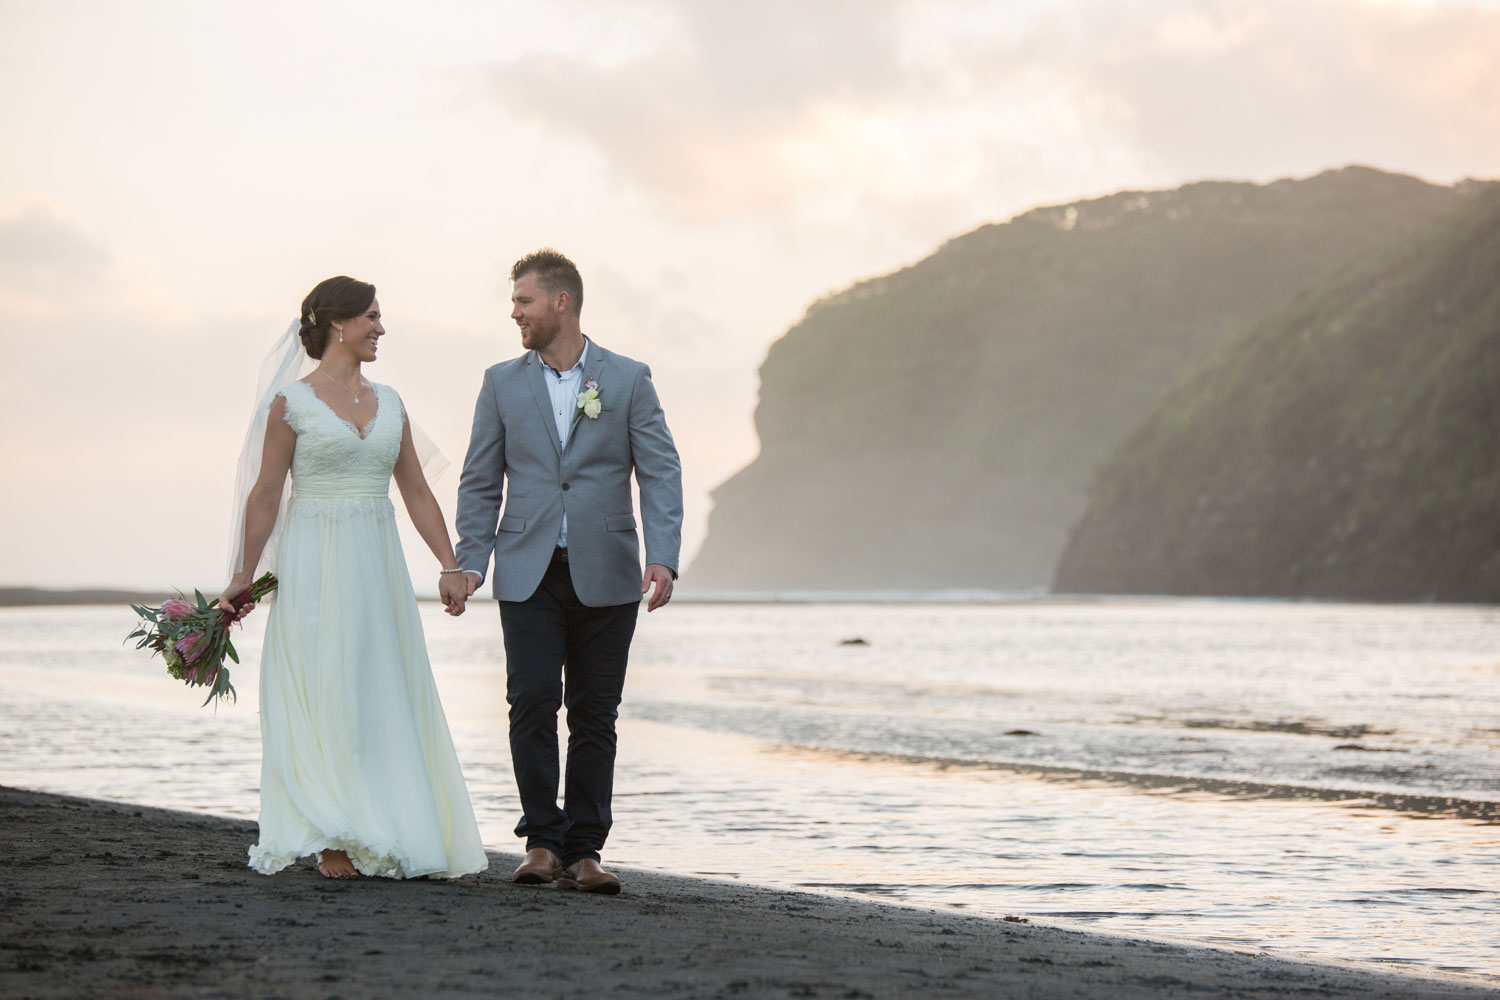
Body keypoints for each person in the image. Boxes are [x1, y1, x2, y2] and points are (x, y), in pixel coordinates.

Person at [217, 276, 488, 881]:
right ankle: (333, 833)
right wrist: (242, 575)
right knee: (330, 681)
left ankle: (389, 816)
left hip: (377, 558)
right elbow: (265, 495)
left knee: (378, 682)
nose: (380, 329)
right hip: (315, 558)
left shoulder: (390, 401)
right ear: (337, 323)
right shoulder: (291, 404)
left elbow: (416, 490)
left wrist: (451, 566)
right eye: (371, 317)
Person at [455, 249, 683, 895]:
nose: (514, 312)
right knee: (529, 700)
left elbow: (660, 470)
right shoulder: (501, 382)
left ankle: (586, 851)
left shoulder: (629, 378)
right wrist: (471, 561)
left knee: (594, 714)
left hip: (608, 569)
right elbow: (480, 479)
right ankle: (541, 843)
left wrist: (661, 554)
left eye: (523, 301)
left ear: (561, 302)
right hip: (527, 568)